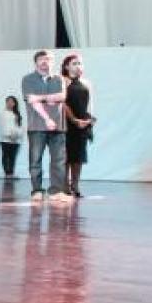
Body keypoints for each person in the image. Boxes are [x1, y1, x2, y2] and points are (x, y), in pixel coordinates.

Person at [21, 50, 72, 203]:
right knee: (35, 160)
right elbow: (32, 101)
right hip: (37, 126)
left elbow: (61, 97)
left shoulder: (59, 79)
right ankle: (37, 190)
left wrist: (41, 97)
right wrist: (47, 117)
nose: (45, 62)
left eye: (48, 59)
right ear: (36, 62)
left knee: (59, 160)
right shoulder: (28, 79)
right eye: (42, 59)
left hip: (58, 126)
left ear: (53, 62)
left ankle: (56, 191)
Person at [61, 53, 95, 198]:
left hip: (82, 123)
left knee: (78, 156)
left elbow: (90, 104)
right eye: (74, 63)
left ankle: (75, 184)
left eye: (80, 63)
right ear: (67, 66)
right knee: (66, 156)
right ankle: (65, 185)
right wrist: (74, 120)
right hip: (67, 123)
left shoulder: (87, 83)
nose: (78, 66)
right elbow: (62, 104)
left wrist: (90, 120)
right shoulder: (62, 81)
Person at [0, 95, 24, 178]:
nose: (9, 103)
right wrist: (9, 136)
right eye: (8, 102)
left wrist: (17, 136)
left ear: (14, 104)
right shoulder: (3, 113)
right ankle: (7, 173)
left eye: (11, 102)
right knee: (6, 156)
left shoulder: (17, 114)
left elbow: (20, 127)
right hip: (5, 140)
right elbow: (3, 126)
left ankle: (11, 173)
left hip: (16, 140)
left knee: (12, 157)